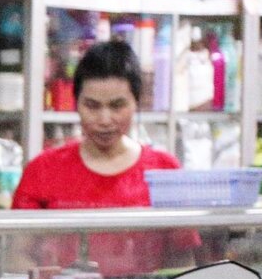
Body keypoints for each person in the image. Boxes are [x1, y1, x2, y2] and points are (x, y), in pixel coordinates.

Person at [12, 41, 179, 210]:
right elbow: (20, 236)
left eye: (117, 106)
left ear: (136, 102)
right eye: (92, 106)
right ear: (76, 103)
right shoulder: (43, 171)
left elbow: (185, 235)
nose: (105, 120)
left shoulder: (164, 172)